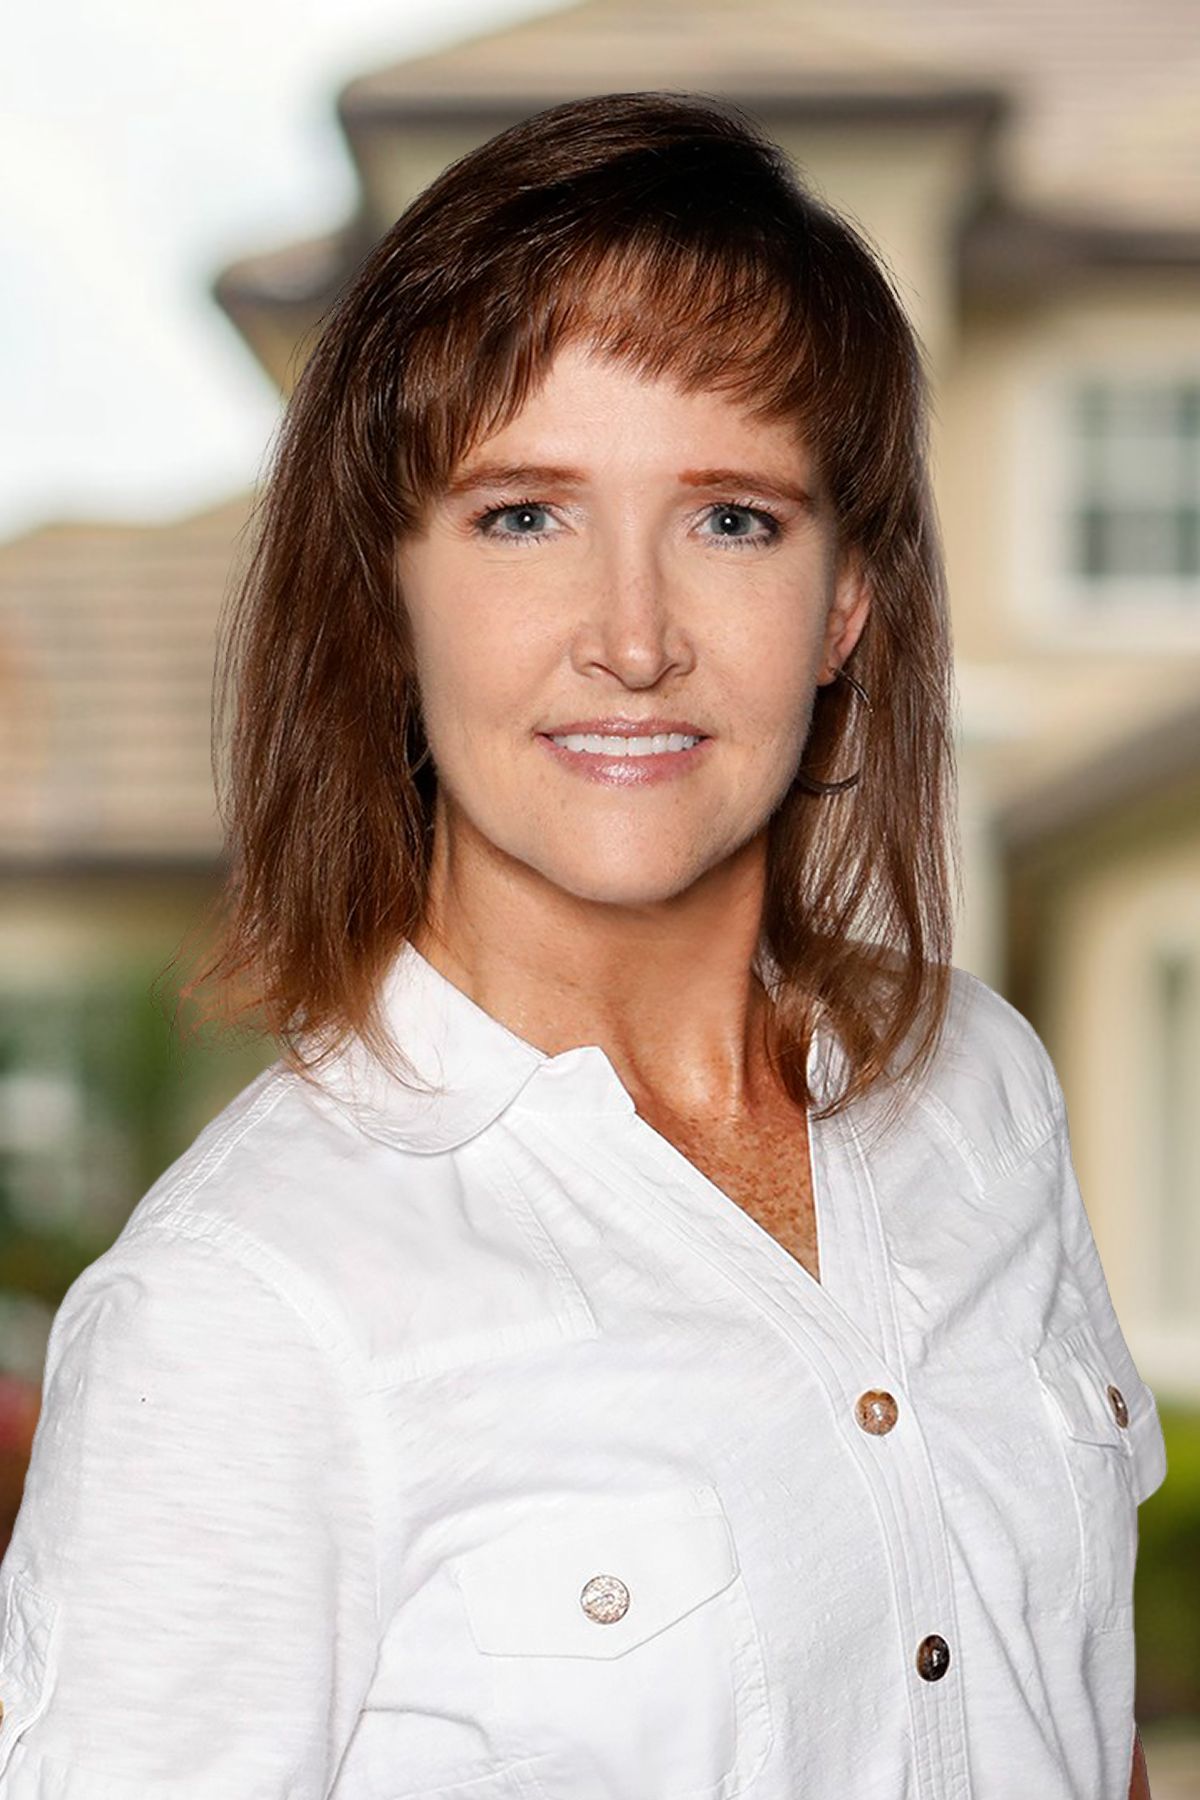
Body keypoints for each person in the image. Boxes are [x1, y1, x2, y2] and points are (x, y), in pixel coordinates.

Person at [0, 90, 1165, 1800]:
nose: (632, 639)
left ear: (849, 598)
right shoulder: (240, 1315)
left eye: (733, 519)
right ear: (387, 597)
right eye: (523, 515)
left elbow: (1077, 1720)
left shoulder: (981, 1089)